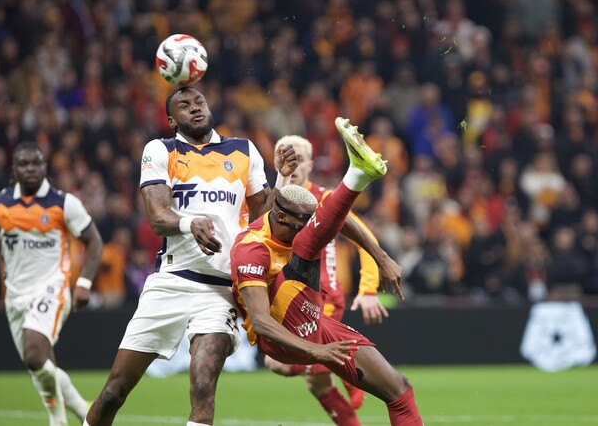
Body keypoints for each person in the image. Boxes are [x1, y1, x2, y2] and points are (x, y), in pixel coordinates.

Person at [84, 86, 297, 426]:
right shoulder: (161, 150)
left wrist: (283, 177)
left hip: (221, 289)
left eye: (199, 102)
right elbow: (157, 216)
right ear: (171, 120)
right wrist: (189, 223)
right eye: (184, 105)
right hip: (171, 281)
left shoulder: (243, 150)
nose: (195, 108)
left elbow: (264, 221)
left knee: (202, 383)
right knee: (114, 392)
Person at [230, 117, 423, 426]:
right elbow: (262, 323)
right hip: (280, 331)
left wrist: (382, 258)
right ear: (281, 217)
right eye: (304, 222)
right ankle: (356, 175)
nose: (312, 225)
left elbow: (341, 220)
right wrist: (316, 352)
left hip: (318, 315)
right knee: (307, 244)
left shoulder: (306, 208)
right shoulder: (251, 248)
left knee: (399, 389)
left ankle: (358, 174)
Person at [0, 141, 103, 426]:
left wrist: (84, 282)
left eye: (36, 163)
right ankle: (84, 411)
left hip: (52, 288)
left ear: (45, 166)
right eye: (24, 164)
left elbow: (93, 241)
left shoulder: (63, 203)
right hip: (15, 295)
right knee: (41, 365)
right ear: (14, 169)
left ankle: (58, 420)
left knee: (34, 355)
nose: (31, 168)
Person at [264, 134, 395, 424]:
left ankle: (347, 370)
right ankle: (343, 372)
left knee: (275, 363)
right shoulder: (271, 203)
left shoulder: (324, 198)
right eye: (285, 156)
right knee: (318, 384)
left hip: (322, 297)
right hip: (287, 297)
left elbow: (365, 238)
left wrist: (368, 289)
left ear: (310, 164)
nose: (292, 163)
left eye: (299, 157)